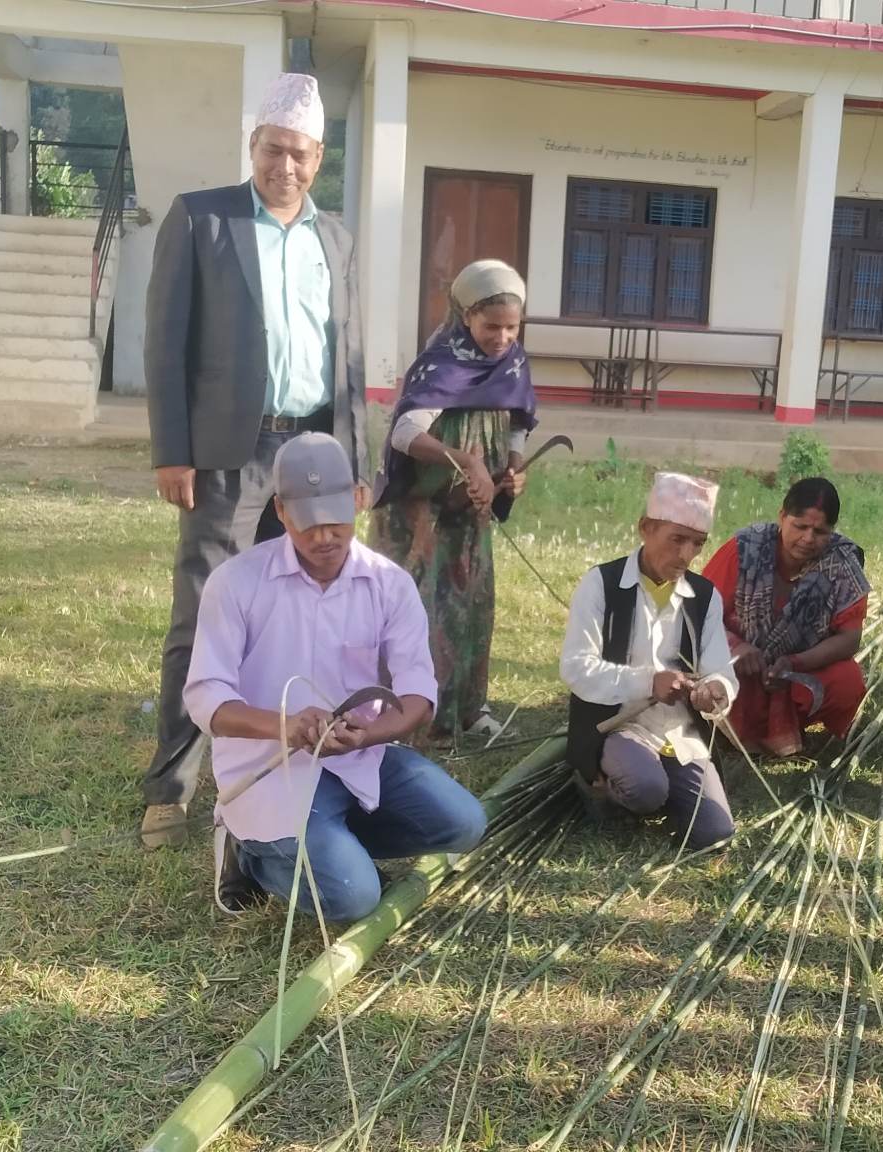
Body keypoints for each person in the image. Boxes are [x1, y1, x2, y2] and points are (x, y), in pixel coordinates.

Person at [140, 73, 366, 848]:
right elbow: (164, 344)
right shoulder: (203, 219)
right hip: (228, 456)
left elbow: (349, 357)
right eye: (274, 151)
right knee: (205, 611)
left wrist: (353, 461)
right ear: (253, 146)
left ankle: (272, 765)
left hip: (311, 453)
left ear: (319, 157)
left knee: (297, 613)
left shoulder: (333, 238)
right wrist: (173, 451)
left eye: (301, 155)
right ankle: (170, 786)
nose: (286, 168)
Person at [183, 434, 485, 922]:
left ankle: (335, 847)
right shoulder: (237, 583)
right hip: (270, 772)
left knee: (464, 823)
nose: (324, 537)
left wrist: (370, 733)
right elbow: (206, 700)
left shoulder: (389, 584)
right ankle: (252, 854)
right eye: (308, 524)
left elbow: (417, 692)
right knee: (354, 898)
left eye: (336, 521)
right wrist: (287, 726)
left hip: (359, 757)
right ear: (281, 511)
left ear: (360, 499)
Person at [370, 260, 538, 743]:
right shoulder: (439, 364)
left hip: (471, 507)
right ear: (466, 316)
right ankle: (412, 716)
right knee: (421, 611)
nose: (503, 337)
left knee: (473, 606)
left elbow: (520, 418)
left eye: (512, 327)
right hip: (418, 514)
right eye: (492, 326)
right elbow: (405, 434)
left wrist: (511, 466)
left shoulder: (512, 362)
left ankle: (469, 708)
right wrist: (466, 460)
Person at [561, 472, 739, 851]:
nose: (686, 555)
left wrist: (716, 690)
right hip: (617, 725)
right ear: (646, 528)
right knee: (646, 789)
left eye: (698, 544)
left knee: (715, 834)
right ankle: (605, 789)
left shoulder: (705, 597)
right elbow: (576, 666)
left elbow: (721, 669)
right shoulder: (602, 584)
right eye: (677, 539)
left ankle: (660, 787)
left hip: (679, 733)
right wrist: (648, 682)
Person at [702, 477, 870, 758]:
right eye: (800, 526)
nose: (807, 539)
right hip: (736, 666)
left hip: (795, 672)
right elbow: (699, 613)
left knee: (847, 680)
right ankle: (731, 727)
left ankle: (789, 724)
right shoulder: (745, 548)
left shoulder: (841, 563)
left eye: (820, 531)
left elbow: (850, 639)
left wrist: (794, 662)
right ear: (782, 516)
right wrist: (737, 648)